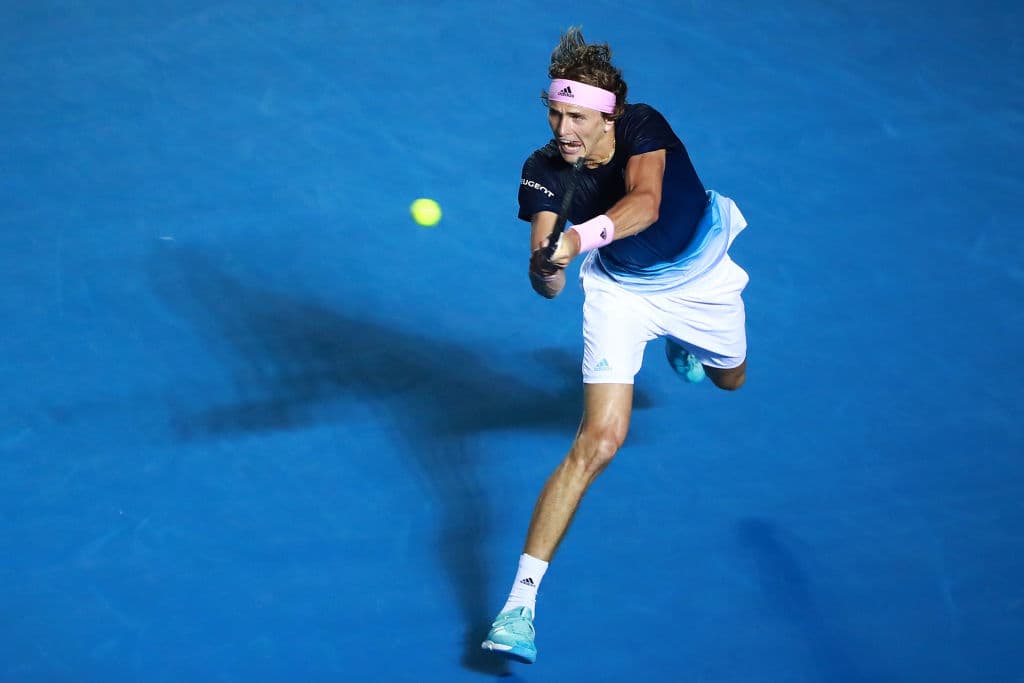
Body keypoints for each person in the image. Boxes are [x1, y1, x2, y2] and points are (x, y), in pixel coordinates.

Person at [480, 27, 750, 664]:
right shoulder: (542, 171)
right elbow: (548, 281)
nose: (563, 128)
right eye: (555, 113)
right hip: (621, 292)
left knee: (730, 378)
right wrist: (546, 268)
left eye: (576, 116)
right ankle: (519, 607)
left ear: (609, 115)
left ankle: (685, 342)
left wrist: (575, 241)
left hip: (700, 276)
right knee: (600, 440)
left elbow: (646, 205)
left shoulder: (643, 126)